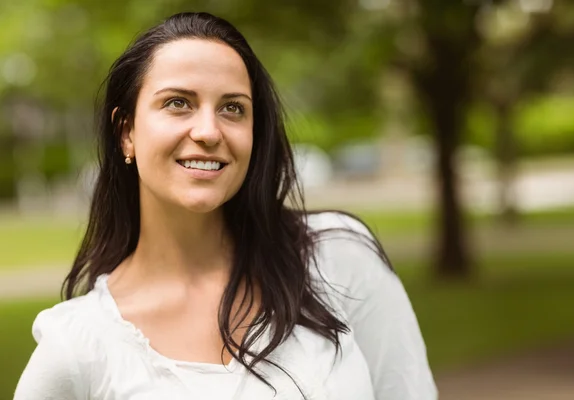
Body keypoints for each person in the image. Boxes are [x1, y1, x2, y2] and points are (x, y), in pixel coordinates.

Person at [14, 12, 437, 400]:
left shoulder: (338, 257)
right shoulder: (78, 347)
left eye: (233, 108)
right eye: (178, 102)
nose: (208, 131)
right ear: (126, 131)